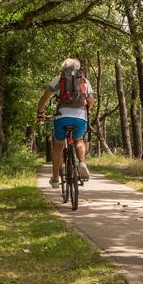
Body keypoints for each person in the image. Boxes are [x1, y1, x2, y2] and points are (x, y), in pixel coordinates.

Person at [37, 58, 93, 188]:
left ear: (64, 68)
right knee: (79, 140)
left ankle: (56, 178)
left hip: (62, 117)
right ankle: (82, 162)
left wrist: (40, 113)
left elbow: (45, 98)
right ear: (78, 68)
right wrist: (85, 110)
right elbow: (91, 101)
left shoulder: (58, 79)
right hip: (80, 117)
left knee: (58, 145)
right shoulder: (85, 81)